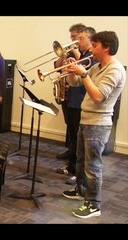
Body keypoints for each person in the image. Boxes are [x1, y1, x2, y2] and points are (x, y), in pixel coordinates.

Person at [63, 31, 126, 219]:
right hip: (86, 119)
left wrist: (83, 74)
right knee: (81, 161)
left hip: (98, 123)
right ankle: (81, 191)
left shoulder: (114, 69)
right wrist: (71, 71)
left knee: (93, 166)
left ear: (106, 47)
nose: (91, 48)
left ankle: (93, 204)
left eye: (95, 45)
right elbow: (75, 83)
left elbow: (98, 96)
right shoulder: (98, 67)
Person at [55, 27, 97, 185]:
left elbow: (86, 78)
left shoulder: (91, 57)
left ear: (90, 40)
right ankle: (72, 167)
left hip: (82, 102)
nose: (77, 41)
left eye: (81, 39)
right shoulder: (85, 55)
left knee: (81, 144)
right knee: (74, 138)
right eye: (76, 38)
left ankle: (79, 173)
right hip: (73, 100)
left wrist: (76, 61)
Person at [55, 23, 86, 160]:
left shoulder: (85, 53)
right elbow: (57, 67)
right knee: (69, 124)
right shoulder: (69, 51)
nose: (72, 39)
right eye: (72, 36)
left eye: (74, 37)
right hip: (66, 91)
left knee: (76, 128)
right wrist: (63, 55)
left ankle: (74, 156)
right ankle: (70, 150)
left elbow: (82, 65)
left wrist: (74, 50)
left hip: (78, 95)